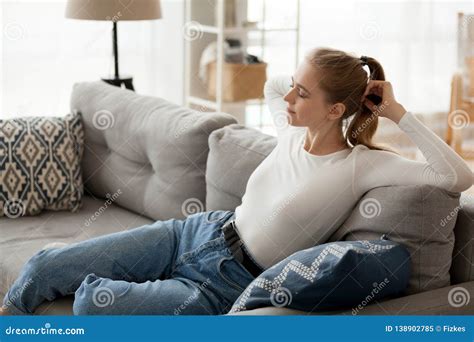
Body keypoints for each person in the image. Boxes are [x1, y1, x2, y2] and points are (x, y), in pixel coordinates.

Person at [2, 47, 472, 315]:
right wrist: (319, 73)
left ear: (335, 110)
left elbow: (458, 175)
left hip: (224, 285)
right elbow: (271, 86)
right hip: (192, 231)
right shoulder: (289, 129)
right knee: (46, 265)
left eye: (302, 92)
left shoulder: (362, 165)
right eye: (294, 84)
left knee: (93, 306)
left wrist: (393, 111)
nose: (287, 96)